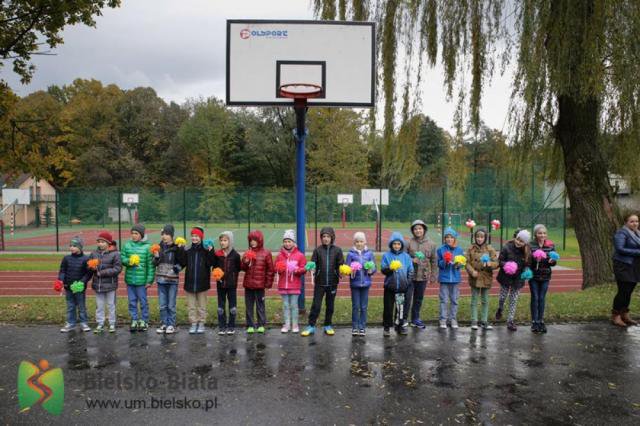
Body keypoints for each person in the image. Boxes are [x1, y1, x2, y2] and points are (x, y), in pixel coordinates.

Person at [302, 227, 344, 336]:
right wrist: (312, 268)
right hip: (320, 283)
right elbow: (313, 263)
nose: (326, 239)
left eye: (328, 236)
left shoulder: (338, 250)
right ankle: (311, 326)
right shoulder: (317, 250)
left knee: (330, 306)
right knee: (316, 305)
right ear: (321, 238)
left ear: (332, 237)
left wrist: (342, 271)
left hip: (332, 283)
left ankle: (328, 325)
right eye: (324, 236)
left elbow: (340, 265)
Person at [177, 227, 217, 334]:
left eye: (197, 236)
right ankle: (193, 324)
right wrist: (180, 250)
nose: (194, 238)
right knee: (191, 306)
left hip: (202, 283)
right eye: (193, 236)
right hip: (190, 283)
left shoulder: (205, 250)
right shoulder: (188, 249)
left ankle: (201, 323)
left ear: (201, 237)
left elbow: (210, 263)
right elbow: (182, 262)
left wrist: (211, 251)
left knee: (202, 306)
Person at [496, 229, 532, 331]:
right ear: (515, 238)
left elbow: (528, 264)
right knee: (502, 297)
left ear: (525, 243)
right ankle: (500, 308)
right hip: (505, 277)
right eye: (517, 239)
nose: (518, 242)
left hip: (518, 279)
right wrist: (506, 265)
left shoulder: (527, 251)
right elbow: (500, 261)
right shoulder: (507, 247)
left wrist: (526, 270)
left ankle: (510, 321)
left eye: (521, 241)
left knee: (514, 299)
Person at [88, 231, 122, 333]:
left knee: (111, 305)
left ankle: (112, 323)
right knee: (99, 305)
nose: (100, 244)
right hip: (98, 285)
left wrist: (101, 273)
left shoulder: (115, 254)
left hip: (110, 285)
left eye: (103, 242)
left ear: (108, 243)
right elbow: (88, 266)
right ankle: (100, 323)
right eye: (99, 242)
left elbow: (117, 269)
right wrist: (91, 267)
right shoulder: (94, 253)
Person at [241, 230, 274, 334]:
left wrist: (268, 283)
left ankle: (261, 324)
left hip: (260, 286)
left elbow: (270, 270)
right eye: (251, 240)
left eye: (254, 240)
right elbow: (242, 268)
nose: (252, 242)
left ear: (259, 240)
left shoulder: (266, 253)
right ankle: (250, 325)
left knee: (260, 305)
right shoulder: (247, 252)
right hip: (248, 285)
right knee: (249, 306)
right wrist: (245, 262)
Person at [381, 232, 414, 336]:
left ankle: (399, 326)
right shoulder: (387, 256)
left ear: (402, 245)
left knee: (400, 309)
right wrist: (390, 269)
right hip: (390, 288)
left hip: (402, 289)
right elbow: (383, 269)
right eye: (394, 244)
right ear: (391, 244)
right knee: (388, 309)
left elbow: (411, 270)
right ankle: (386, 327)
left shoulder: (406, 257)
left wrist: (407, 282)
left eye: (398, 244)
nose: (396, 246)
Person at [406, 219, 437, 329]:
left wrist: (433, 275)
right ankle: (404, 320)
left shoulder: (432, 244)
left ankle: (415, 319)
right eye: (415, 229)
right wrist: (411, 260)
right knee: (407, 298)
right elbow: (403, 258)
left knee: (418, 299)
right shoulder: (408, 243)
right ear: (413, 231)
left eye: (420, 228)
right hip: (409, 276)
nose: (418, 231)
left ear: (424, 229)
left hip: (423, 276)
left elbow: (434, 261)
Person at [465, 227, 498, 330]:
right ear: (475, 237)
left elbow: (496, 263)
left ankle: (484, 321)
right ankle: (474, 320)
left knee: (485, 300)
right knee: (474, 300)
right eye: (477, 236)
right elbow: (466, 262)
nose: (479, 239)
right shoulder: (471, 249)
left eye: (482, 237)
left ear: (485, 238)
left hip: (486, 277)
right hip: (474, 277)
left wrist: (490, 264)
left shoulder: (490, 249)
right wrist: (472, 271)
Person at [275, 230, 306, 334]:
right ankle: (287, 324)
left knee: (294, 305)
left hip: (295, 285)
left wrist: (296, 270)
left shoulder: (300, 255)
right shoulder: (279, 255)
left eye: (289, 241)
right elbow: (276, 267)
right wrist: (279, 269)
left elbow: (304, 268)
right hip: (283, 285)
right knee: (285, 305)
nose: (287, 243)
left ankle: (295, 324)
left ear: (293, 242)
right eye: (285, 241)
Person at [612, 213, 640, 327]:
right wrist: (638, 252)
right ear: (626, 222)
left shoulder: (637, 233)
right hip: (623, 266)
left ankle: (624, 314)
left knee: (629, 291)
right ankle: (616, 315)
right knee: (623, 291)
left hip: (634, 266)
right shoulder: (621, 233)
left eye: (637, 221)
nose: (635, 223)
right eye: (632, 221)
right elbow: (620, 248)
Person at [345, 232, 376, 336]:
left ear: (365, 242)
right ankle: (355, 327)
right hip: (355, 284)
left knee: (363, 307)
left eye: (361, 241)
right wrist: (351, 269)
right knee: (355, 306)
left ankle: (362, 327)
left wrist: (370, 269)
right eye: (357, 241)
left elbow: (374, 267)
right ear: (354, 242)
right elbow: (346, 268)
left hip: (366, 284)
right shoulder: (350, 254)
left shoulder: (369, 254)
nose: (359, 243)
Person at [58, 236, 91, 333]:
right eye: (70, 245)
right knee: (70, 306)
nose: (72, 247)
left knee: (81, 306)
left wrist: (82, 282)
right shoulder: (66, 258)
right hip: (68, 287)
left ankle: (84, 322)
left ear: (80, 247)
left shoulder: (86, 259)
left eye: (74, 246)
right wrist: (60, 280)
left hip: (80, 288)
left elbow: (88, 274)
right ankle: (70, 323)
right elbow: (62, 271)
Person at [529, 224, 557, 333]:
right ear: (535, 234)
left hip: (545, 276)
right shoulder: (530, 245)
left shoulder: (550, 245)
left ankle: (541, 321)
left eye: (544, 233)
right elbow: (527, 260)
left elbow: (554, 262)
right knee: (535, 298)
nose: (542, 235)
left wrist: (552, 261)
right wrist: (534, 259)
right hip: (534, 276)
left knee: (541, 298)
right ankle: (534, 322)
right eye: (540, 233)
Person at [153, 224, 181, 334]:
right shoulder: (158, 248)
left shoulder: (177, 248)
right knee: (162, 304)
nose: (164, 236)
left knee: (171, 305)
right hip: (161, 280)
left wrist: (175, 269)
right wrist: (156, 256)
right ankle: (164, 323)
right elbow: (154, 263)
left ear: (172, 235)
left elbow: (181, 262)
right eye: (163, 234)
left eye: (167, 234)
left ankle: (171, 324)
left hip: (172, 281)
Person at [437, 227, 465, 329]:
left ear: (454, 238)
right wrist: (445, 260)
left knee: (454, 300)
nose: (449, 239)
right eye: (447, 237)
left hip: (455, 279)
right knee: (444, 300)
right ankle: (443, 319)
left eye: (451, 237)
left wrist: (458, 265)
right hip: (444, 279)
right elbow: (439, 264)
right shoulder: (441, 249)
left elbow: (462, 264)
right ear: (444, 238)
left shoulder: (459, 250)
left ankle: (453, 319)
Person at [215, 231, 241, 335]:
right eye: (221, 240)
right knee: (220, 307)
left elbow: (238, 268)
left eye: (225, 240)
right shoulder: (217, 254)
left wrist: (233, 277)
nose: (222, 242)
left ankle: (231, 326)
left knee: (232, 307)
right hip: (220, 285)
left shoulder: (235, 255)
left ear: (230, 241)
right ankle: (222, 327)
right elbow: (214, 267)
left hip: (231, 285)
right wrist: (216, 274)